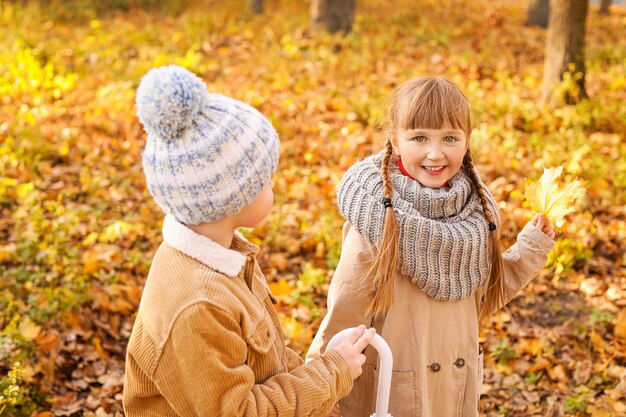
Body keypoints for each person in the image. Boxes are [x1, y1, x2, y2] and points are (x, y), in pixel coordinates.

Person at [123, 65, 376, 416]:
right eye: (265, 177)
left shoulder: (226, 254)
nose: (274, 183)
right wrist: (331, 372)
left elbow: (264, 364)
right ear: (230, 197)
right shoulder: (198, 305)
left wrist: (316, 386)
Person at [306, 76, 556, 417]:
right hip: (394, 393)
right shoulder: (379, 219)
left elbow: (483, 295)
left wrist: (531, 247)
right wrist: (321, 388)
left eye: (450, 138)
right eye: (419, 137)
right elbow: (345, 313)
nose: (435, 153)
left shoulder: (475, 214)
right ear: (395, 140)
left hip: (453, 389)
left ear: (466, 143)